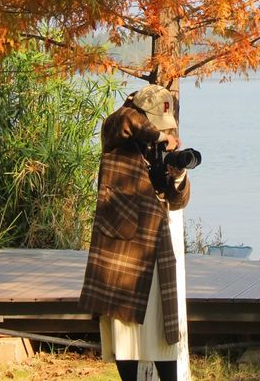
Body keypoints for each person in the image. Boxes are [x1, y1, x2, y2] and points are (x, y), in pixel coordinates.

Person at [80, 84, 190, 381]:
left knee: (163, 333)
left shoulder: (158, 150)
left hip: (156, 247)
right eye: (156, 122)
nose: (162, 130)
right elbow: (125, 119)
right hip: (123, 249)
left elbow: (178, 201)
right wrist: (158, 136)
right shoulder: (116, 135)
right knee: (125, 337)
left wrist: (177, 173)